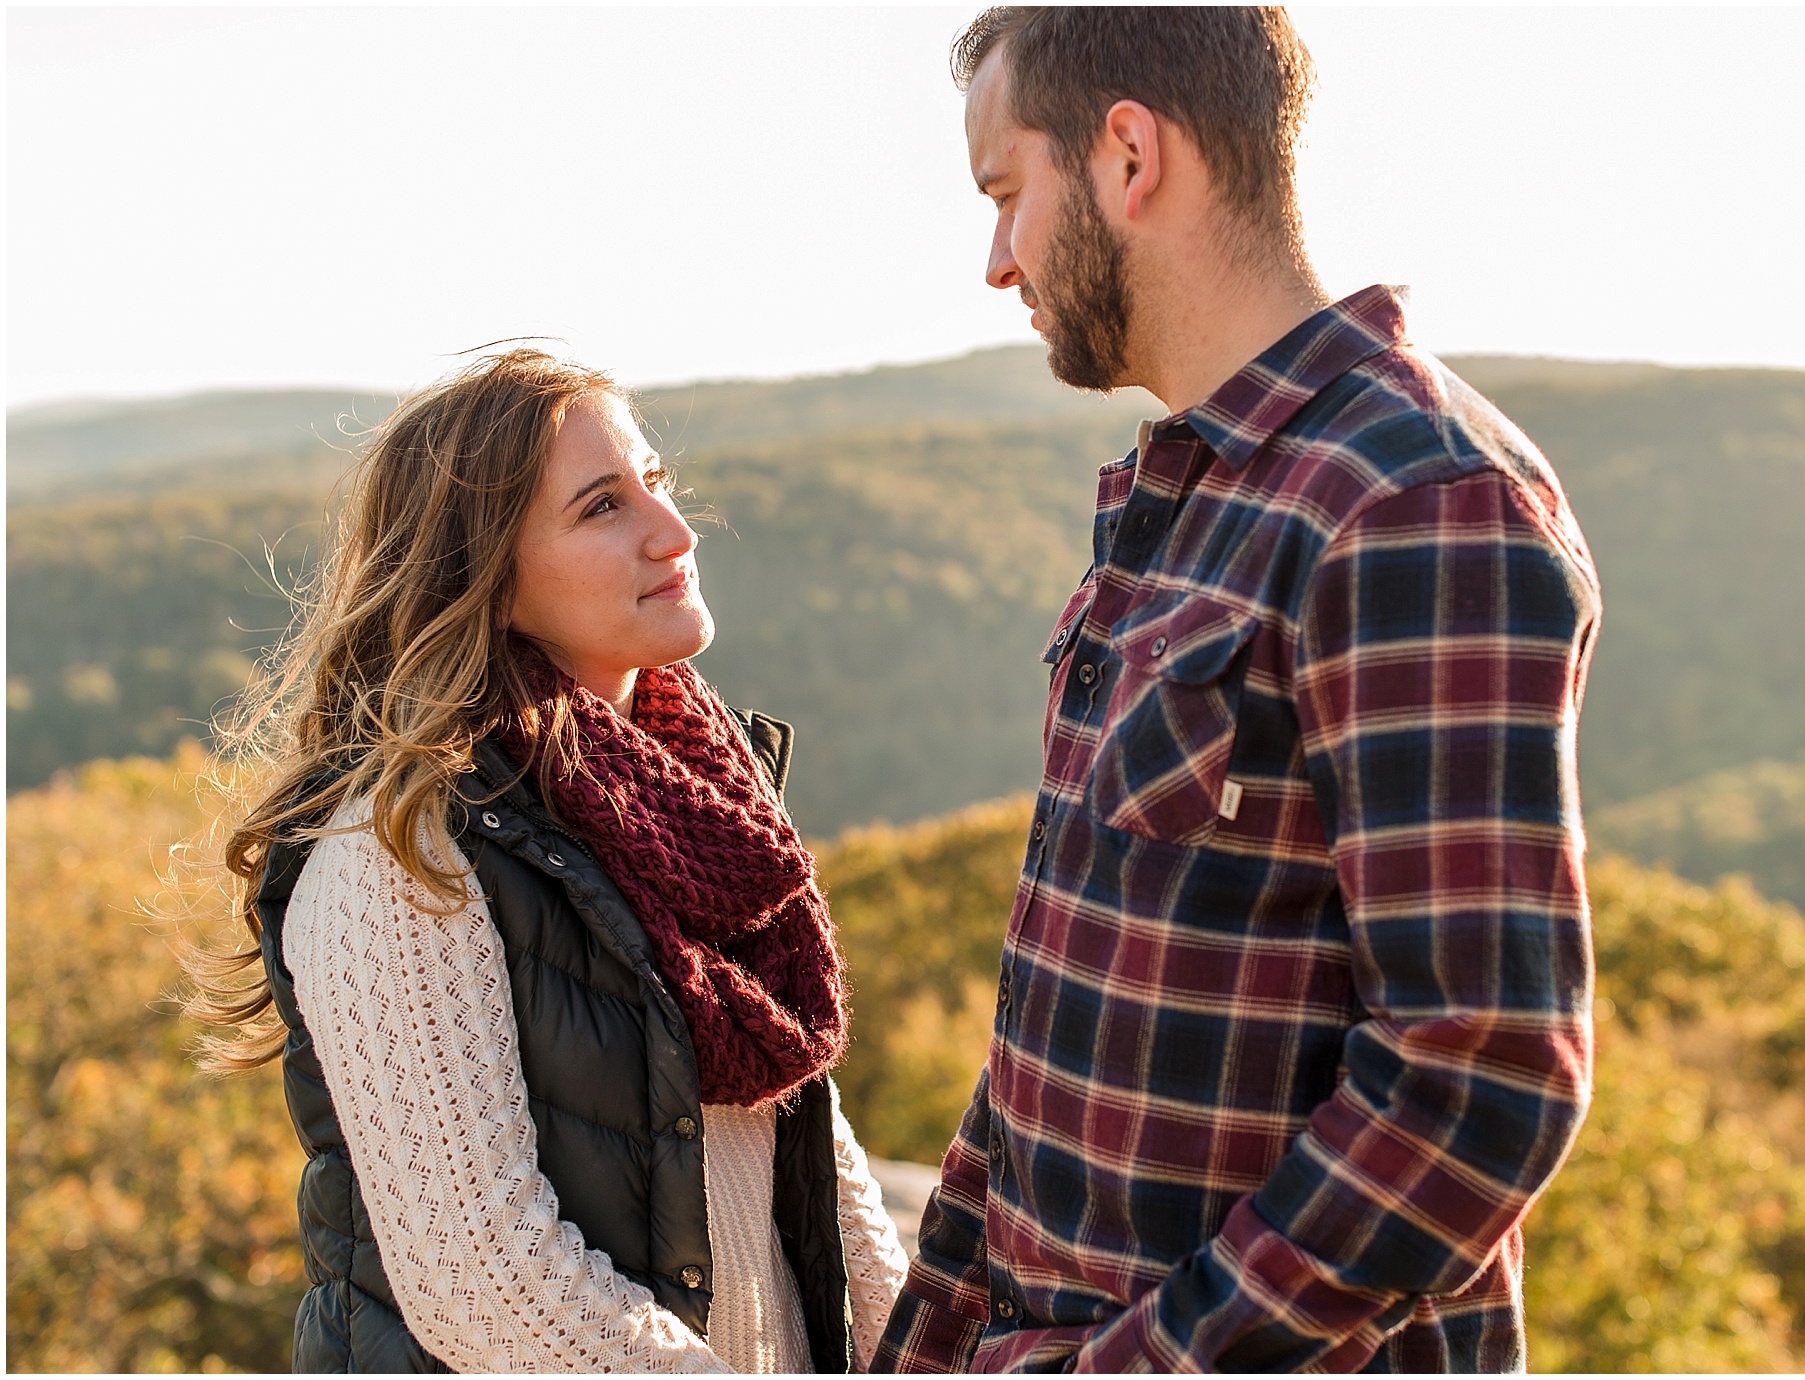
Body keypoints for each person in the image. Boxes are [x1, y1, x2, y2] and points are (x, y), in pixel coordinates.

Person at [874, 8, 1601, 1373]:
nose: (995, 261)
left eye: (1006, 194)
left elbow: (1476, 1076)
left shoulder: (1412, 498)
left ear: (1128, 156)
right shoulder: (1205, 493)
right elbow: (1054, 1022)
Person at [190, 350, 908, 1372]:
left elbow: (808, 1149)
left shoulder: (706, 808)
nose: (675, 531)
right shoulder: (399, 847)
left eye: (655, 482)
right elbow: (483, 1280)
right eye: (603, 507)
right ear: (484, 577)